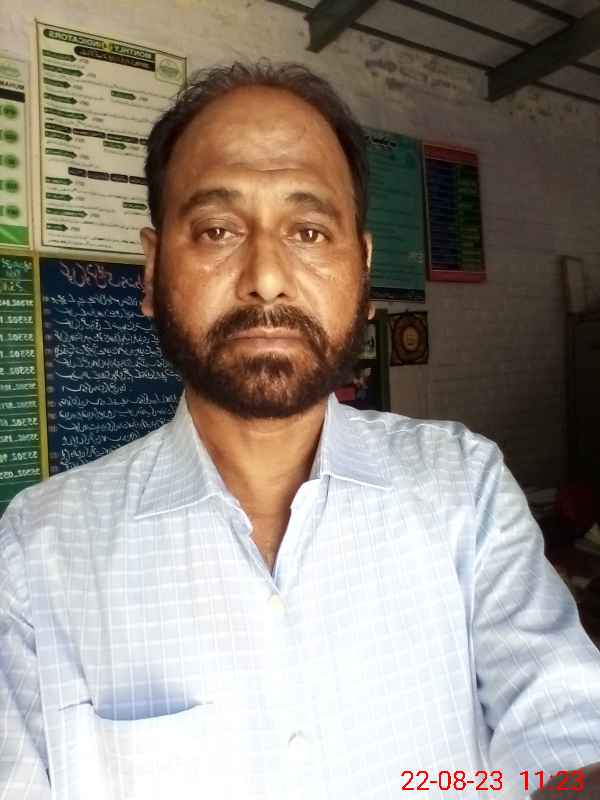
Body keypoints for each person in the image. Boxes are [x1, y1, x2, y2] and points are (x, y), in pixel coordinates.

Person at [1, 60, 600, 800]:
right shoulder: (36, 554)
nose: (267, 277)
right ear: (152, 272)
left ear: (364, 270)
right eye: (217, 230)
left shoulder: (463, 492)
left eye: (310, 231)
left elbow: (565, 734)